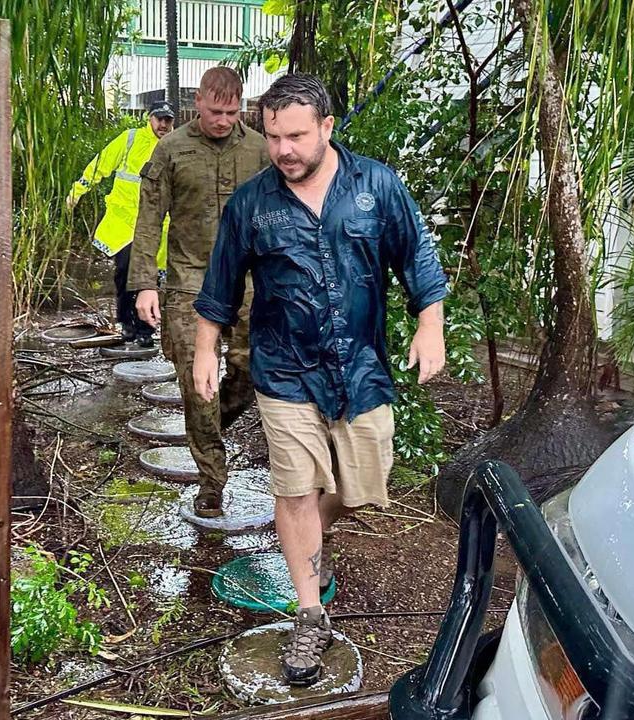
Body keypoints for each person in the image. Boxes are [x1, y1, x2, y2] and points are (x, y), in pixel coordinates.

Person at [192, 74, 447, 685]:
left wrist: (429, 325)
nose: (284, 150)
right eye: (275, 136)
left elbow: (417, 256)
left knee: (365, 485)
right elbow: (219, 287)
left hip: (359, 366)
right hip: (283, 370)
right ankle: (310, 611)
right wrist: (207, 349)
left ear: (327, 128)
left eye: (297, 136)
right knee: (296, 490)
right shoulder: (251, 203)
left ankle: (303, 532)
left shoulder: (375, 186)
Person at [129, 67, 270, 518]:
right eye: (215, 111)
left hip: (248, 283)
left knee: (248, 372)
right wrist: (145, 284)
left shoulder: (261, 150)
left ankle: (208, 428)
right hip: (190, 281)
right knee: (197, 380)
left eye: (232, 112)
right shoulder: (171, 149)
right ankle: (212, 481)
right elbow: (149, 220)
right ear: (198, 101)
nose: (224, 120)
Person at [67, 100, 175, 348]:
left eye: (168, 120)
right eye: (159, 119)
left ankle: (146, 330)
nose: (163, 124)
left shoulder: (174, 146)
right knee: (126, 270)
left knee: (151, 279)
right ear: (149, 118)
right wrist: (77, 190)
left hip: (158, 224)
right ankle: (127, 324)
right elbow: (101, 164)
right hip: (124, 221)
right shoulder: (131, 139)